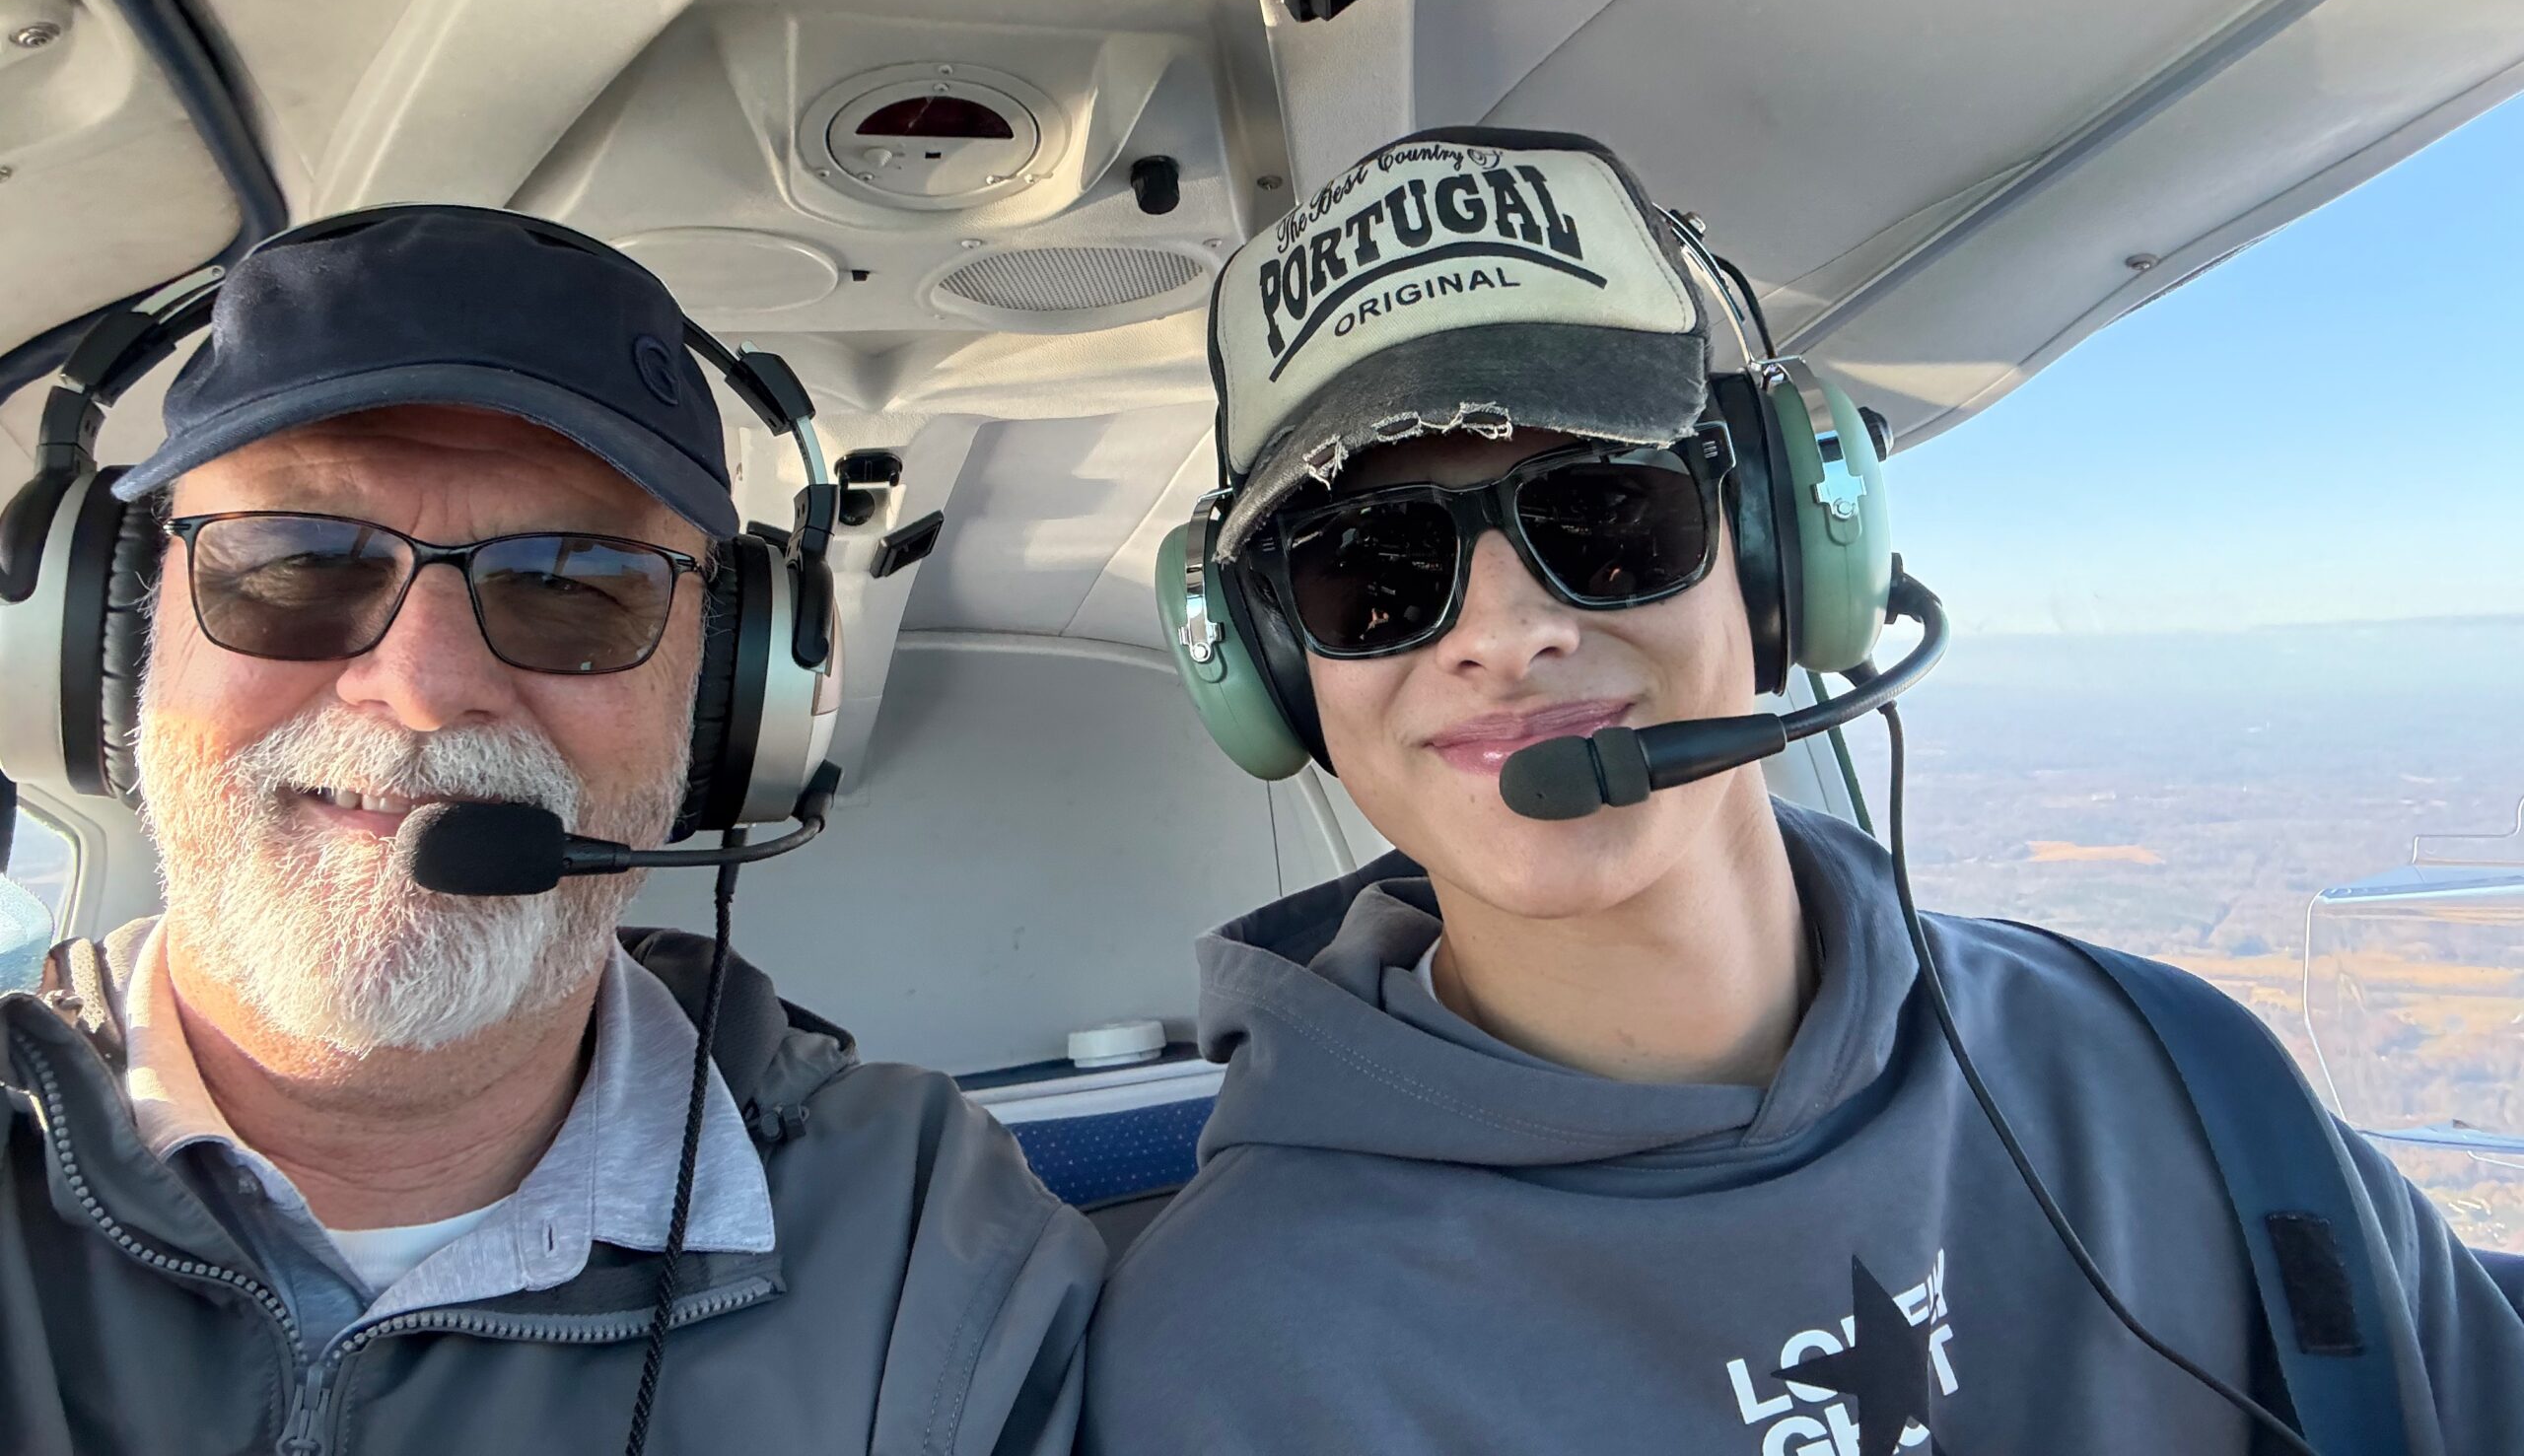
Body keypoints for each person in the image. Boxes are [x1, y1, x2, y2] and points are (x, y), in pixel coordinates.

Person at [1085, 128, 2524, 1454]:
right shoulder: (1227, 1366)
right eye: (1372, 569)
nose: (1504, 634)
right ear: (1272, 667)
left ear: (1785, 551)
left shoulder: (2180, 1078)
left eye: (1607, 511)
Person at [0, 209, 1100, 1455]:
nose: (422, 688)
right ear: (109, 635)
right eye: (298, 559)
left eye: (572, 583)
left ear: (729, 698)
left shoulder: (922, 1242)